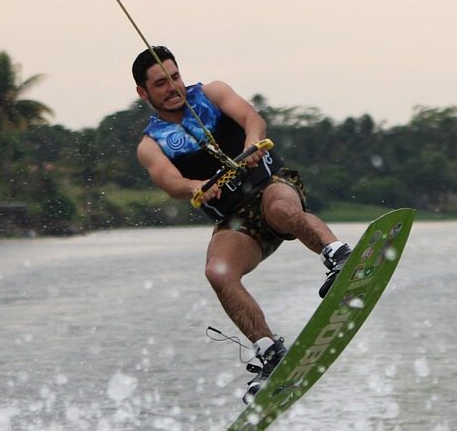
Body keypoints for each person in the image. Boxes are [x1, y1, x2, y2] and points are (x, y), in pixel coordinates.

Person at [132, 46, 351, 403]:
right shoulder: (150, 144)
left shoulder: (213, 93)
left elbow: (252, 119)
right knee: (218, 272)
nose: (173, 87)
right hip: (236, 219)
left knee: (281, 210)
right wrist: (197, 187)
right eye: (161, 83)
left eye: (175, 76)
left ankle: (338, 255)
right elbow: (170, 182)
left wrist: (252, 147)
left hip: (269, 187)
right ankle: (269, 352)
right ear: (144, 93)